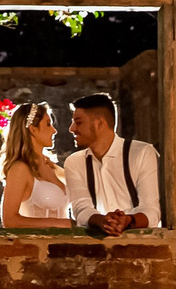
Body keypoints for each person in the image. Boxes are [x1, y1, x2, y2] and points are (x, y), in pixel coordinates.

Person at [64, 91, 161, 234]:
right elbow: (81, 209)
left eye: (78, 122)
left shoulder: (142, 152)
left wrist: (127, 220)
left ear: (100, 124)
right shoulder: (74, 162)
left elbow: (151, 210)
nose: (71, 129)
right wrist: (103, 221)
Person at [0, 102, 74, 227]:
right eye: (48, 124)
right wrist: (61, 224)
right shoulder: (20, 169)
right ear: (33, 129)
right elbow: (9, 220)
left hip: (64, 245)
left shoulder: (50, 166)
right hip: (35, 245)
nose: (54, 131)